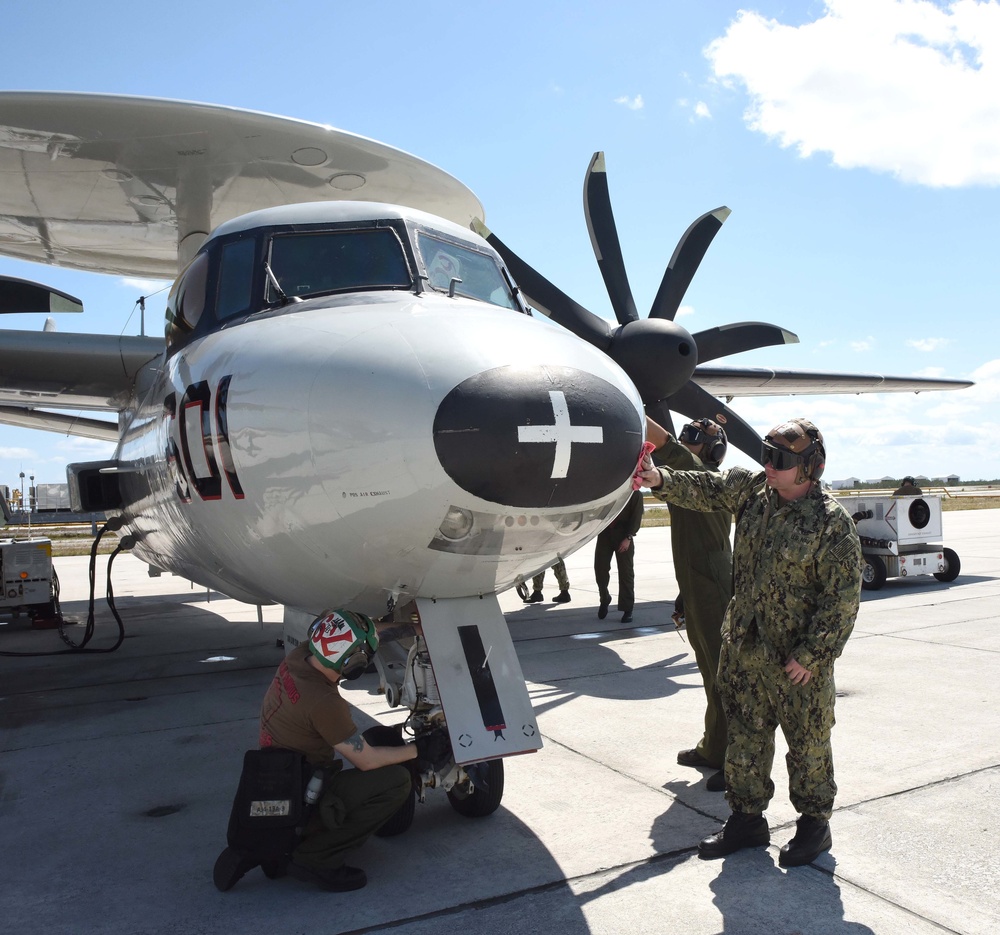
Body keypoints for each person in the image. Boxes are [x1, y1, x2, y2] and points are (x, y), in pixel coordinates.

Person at [636, 418, 862, 867]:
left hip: (796, 662)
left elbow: (842, 599)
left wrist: (812, 654)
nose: (768, 466)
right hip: (744, 650)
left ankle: (815, 825)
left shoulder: (830, 523)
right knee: (744, 740)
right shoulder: (754, 493)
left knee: (809, 745)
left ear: (809, 468)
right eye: (765, 455)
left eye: (779, 460)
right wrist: (659, 478)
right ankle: (747, 820)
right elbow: (707, 489)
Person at [252, 609, 449, 891]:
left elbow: (372, 633)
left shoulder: (302, 656)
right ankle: (316, 856)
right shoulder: (324, 702)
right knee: (397, 782)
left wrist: (414, 629)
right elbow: (367, 761)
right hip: (300, 798)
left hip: (277, 778)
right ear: (354, 663)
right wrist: (419, 749)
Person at [653, 417, 733, 793]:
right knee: (709, 673)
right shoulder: (692, 480)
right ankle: (715, 748)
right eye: (687, 434)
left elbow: (664, 443)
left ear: (711, 450)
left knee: (725, 677)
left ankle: (739, 761)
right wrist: (686, 595)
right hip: (699, 584)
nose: (687, 441)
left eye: (694, 438)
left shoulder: (699, 473)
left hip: (714, 587)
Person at [594, 488, 644, 623]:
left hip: (624, 534)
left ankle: (628, 609)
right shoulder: (608, 491)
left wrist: (628, 537)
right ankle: (604, 598)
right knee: (600, 568)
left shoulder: (635, 495)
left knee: (626, 572)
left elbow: (636, 516)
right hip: (605, 533)